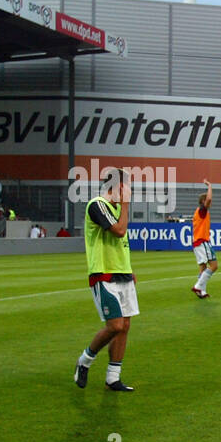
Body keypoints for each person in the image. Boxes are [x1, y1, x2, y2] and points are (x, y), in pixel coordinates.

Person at [74, 168, 137, 392]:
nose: (129, 191)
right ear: (117, 186)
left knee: (125, 326)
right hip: (103, 274)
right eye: (127, 186)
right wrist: (127, 205)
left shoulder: (118, 208)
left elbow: (122, 244)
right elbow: (119, 232)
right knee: (115, 325)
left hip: (123, 273)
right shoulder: (97, 204)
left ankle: (113, 377)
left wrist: (129, 271)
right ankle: (85, 360)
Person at [190, 179, 217, 298]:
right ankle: (198, 286)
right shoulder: (202, 210)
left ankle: (202, 291)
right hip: (202, 242)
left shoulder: (198, 212)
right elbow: (209, 199)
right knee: (214, 266)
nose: (210, 202)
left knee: (203, 268)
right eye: (207, 200)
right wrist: (210, 186)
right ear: (203, 201)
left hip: (196, 243)